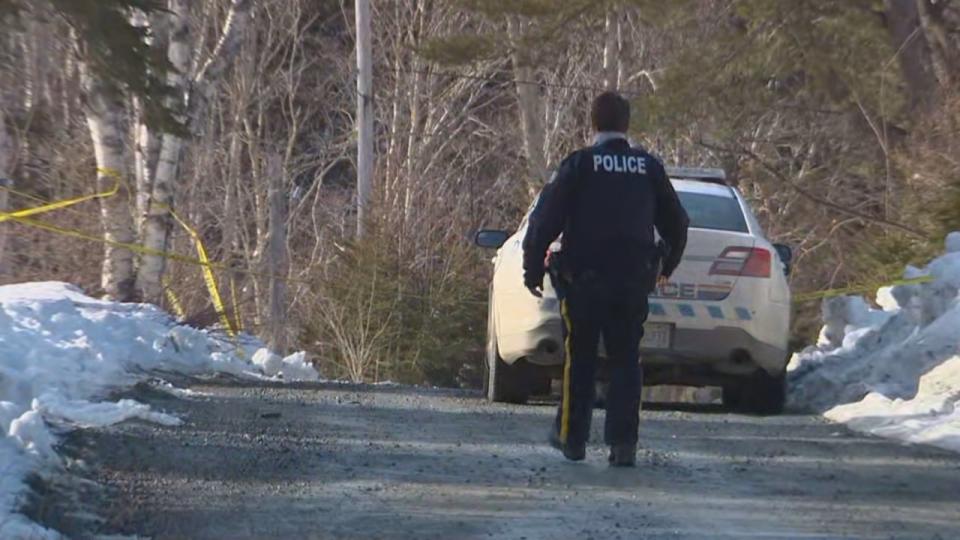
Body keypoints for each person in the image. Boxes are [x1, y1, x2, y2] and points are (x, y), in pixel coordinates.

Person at [522, 91, 689, 466]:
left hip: (584, 279)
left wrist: (532, 268)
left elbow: (544, 221)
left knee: (579, 358)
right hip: (632, 280)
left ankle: (572, 439)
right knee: (626, 359)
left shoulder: (580, 165)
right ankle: (623, 444)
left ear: (593, 124)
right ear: (626, 125)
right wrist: (668, 265)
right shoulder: (648, 167)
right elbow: (677, 222)